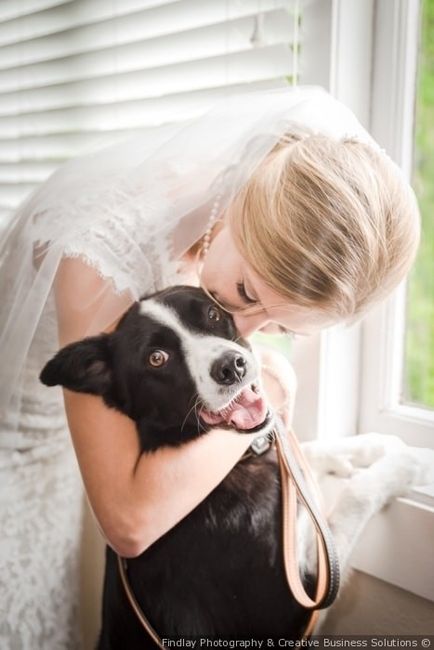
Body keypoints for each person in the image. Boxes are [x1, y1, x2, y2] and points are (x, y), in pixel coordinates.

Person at [0, 86, 420, 649]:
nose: (243, 333)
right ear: (243, 203)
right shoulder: (97, 256)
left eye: (280, 327)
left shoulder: (253, 209)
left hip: (60, 447)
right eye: (246, 291)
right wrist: (265, 382)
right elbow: (129, 524)